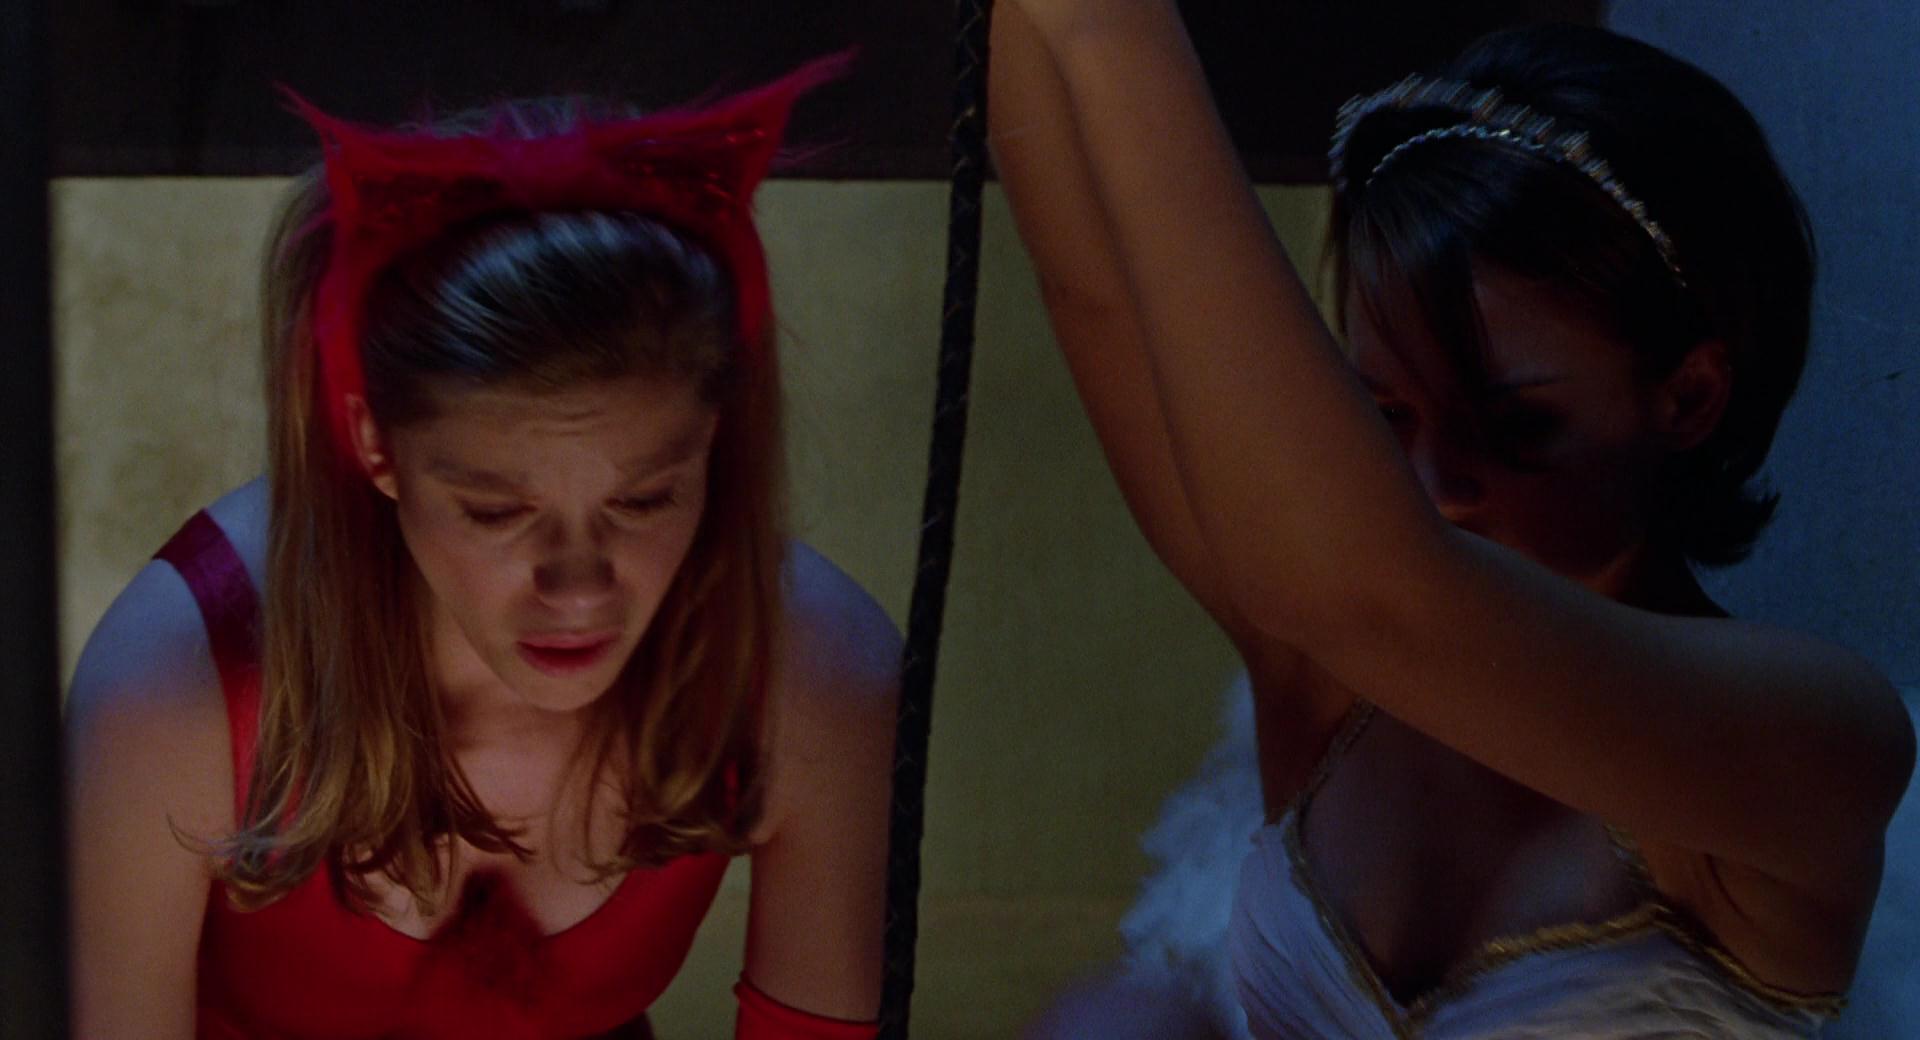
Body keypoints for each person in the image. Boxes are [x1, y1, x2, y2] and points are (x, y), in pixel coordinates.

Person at [990, 3, 1914, 1036]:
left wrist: (1113, 31)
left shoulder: (1824, 736)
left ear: (1689, 397)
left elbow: (1380, 595)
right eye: (1383, 418)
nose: (1436, 483)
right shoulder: (1325, 674)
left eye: (1512, 423)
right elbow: (1097, 291)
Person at [66, 57, 897, 1040]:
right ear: (375, 445)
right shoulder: (174, 693)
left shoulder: (817, 673)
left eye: (644, 499)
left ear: (715, 440)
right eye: (498, 512)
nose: (579, 587)